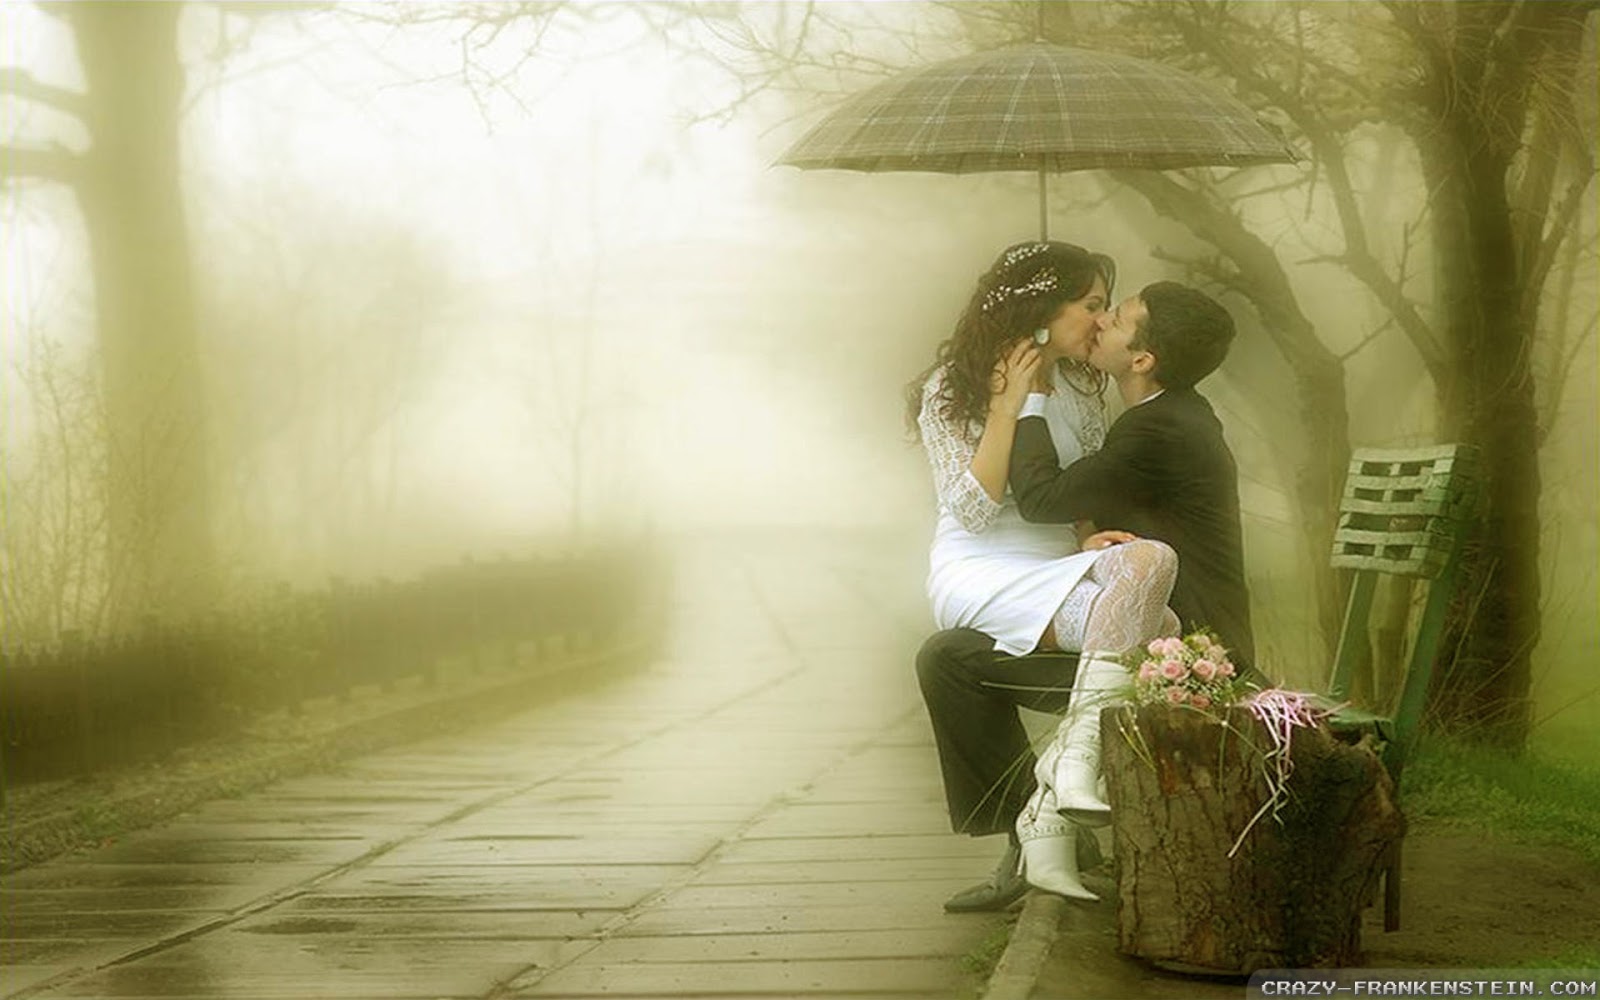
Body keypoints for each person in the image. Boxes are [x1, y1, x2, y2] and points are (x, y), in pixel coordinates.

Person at [908, 242, 1185, 910]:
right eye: (1090, 305)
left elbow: (1067, 491)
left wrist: (1087, 536)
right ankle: (1056, 800)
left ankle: (1046, 819)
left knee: (1164, 623)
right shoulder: (952, 386)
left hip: (1058, 562)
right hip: (981, 565)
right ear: (1042, 308)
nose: (1100, 320)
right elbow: (973, 511)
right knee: (1152, 631)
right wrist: (1006, 407)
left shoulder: (1083, 387)